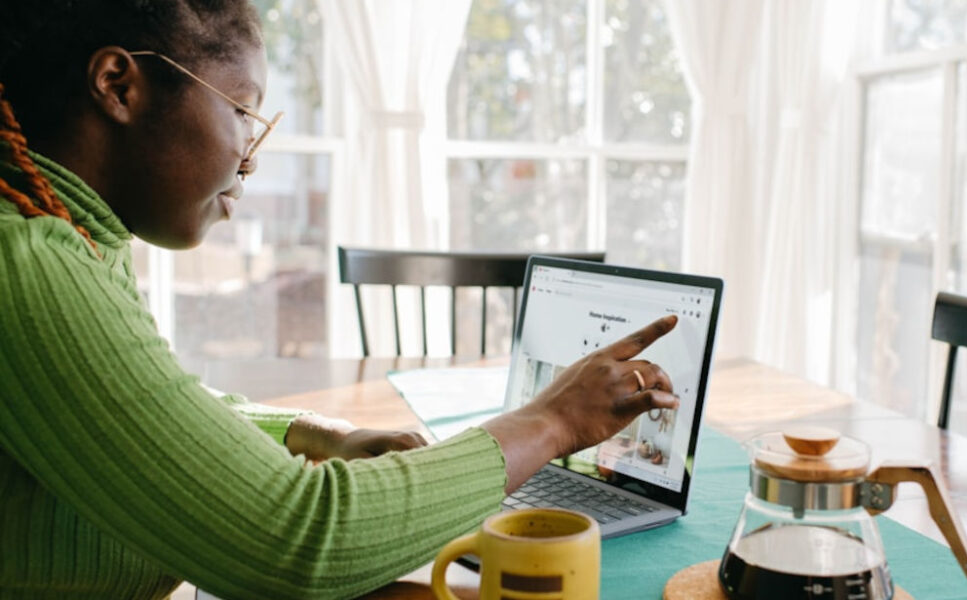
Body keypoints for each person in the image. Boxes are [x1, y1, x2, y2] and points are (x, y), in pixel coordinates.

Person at [0, 2, 678, 598]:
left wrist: (316, 433)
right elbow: (298, 540)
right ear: (119, 86)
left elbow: (155, 406)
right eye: (241, 111)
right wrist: (554, 420)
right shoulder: (28, 268)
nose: (250, 157)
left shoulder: (70, 232)